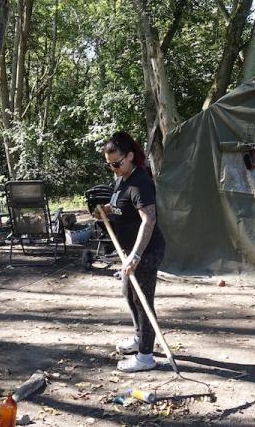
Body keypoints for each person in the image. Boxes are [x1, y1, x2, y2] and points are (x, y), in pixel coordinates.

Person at [97, 131, 166, 372]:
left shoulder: (140, 183)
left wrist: (136, 255)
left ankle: (146, 356)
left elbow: (149, 221)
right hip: (130, 250)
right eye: (109, 165)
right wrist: (104, 210)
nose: (113, 169)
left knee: (142, 300)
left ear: (129, 156)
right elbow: (120, 206)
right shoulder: (122, 178)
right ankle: (140, 338)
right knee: (128, 293)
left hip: (147, 250)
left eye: (117, 163)